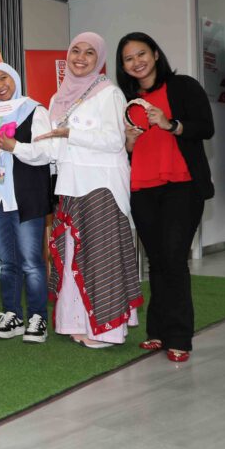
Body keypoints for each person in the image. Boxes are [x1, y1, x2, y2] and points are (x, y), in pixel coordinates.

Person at [36, 32, 143, 348]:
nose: (80, 58)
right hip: (70, 185)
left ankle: (106, 331)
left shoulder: (109, 93)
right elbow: (54, 147)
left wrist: (71, 133)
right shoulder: (58, 97)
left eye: (89, 53)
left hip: (102, 186)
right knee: (73, 256)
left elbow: (114, 141)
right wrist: (17, 147)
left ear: (100, 59)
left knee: (101, 258)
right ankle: (76, 322)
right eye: (76, 51)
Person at [117, 32, 215, 363]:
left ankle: (180, 337)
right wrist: (129, 143)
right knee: (156, 261)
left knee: (174, 258)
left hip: (182, 186)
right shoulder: (126, 101)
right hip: (142, 189)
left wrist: (170, 124)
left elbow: (205, 127)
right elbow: (123, 151)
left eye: (141, 54)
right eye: (129, 58)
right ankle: (156, 332)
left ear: (156, 54)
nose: (136, 62)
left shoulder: (183, 86)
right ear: (123, 66)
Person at [0, 62, 54, 343]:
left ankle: (37, 317)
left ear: (16, 79)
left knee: (31, 262)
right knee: (7, 263)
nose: (0, 86)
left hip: (27, 196)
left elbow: (48, 152)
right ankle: (12, 314)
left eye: (4, 78)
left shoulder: (35, 110)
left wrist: (15, 147)